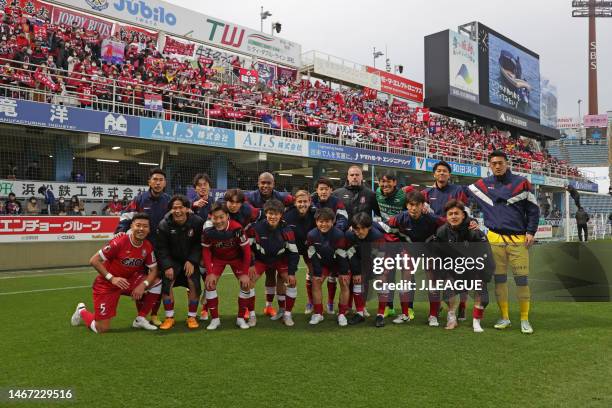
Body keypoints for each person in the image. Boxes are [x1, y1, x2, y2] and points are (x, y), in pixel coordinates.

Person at [467, 150, 539, 334]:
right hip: (494, 240)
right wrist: (470, 221)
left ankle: (524, 319)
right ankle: (505, 317)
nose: (497, 166)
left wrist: (531, 231)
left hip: (518, 239)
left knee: (522, 281)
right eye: (493, 163)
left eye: (500, 162)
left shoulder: (521, 182)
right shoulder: (482, 185)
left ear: (507, 163)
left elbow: (533, 210)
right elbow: (461, 199)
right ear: (489, 165)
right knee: (499, 281)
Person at [70, 213, 162, 333]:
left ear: (149, 230)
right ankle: (81, 310)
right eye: (138, 225)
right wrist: (112, 278)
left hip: (128, 281)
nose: (141, 229)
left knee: (157, 282)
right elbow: (94, 260)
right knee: (101, 328)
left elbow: (154, 270)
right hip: (107, 284)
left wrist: (143, 285)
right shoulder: (119, 242)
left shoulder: (147, 246)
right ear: (132, 226)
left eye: (145, 226)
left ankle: (140, 318)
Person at [381, 191, 445, 327]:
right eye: (411, 205)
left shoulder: (432, 219)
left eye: (417, 205)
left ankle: (433, 315)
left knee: (432, 280)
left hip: (429, 250)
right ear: (407, 205)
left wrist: (471, 222)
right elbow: (381, 226)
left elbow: (448, 224)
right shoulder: (399, 218)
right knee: (405, 279)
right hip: (409, 250)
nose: (414, 208)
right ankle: (405, 314)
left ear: (423, 206)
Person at [116, 167, 171, 326]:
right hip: (140, 250)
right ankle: (141, 315)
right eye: (155, 179)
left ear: (165, 183)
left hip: (160, 249)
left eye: (161, 180)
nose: (158, 183)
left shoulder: (169, 200)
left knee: (158, 281)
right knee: (140, 281)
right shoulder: (139, 199)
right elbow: (126, 217)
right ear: (149, 181)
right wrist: (120, 232)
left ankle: (154, 314)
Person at [432, 200, 494, 332]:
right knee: (448, 291)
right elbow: (437, 255)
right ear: (446, 217)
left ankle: (476, 322)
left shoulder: (474, 231)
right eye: (450, 214)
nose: (453, 216)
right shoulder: (442, 232)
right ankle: (452, 318)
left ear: (463, 215)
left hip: (474, 267)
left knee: (481, 293)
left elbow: (486, 254)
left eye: (456, 213)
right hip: (453, 268)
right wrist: (441, 273)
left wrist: (485, 273)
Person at [421, 160, 471, 320]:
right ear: (434, 174)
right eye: (439, 171)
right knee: (432, 279)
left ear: (449, 175)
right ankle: (433, 312)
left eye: (445, 171)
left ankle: (461, 308)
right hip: (433, 243)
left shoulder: (458, 190)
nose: (442, 173)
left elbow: (464, 214)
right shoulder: (426, 194)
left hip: (455, 242)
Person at [244, 172, 294, 318]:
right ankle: (247, 309)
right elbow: (231, 201)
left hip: (275, 240)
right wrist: (260, 214)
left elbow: (297, 201)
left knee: (272, 275)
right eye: (262, 183)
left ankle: (269, 307)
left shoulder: (282, 196)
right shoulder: (249, 197)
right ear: (258, 183)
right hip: (255, 240)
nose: (265, 185)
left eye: (268, 183)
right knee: (248, 278)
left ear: (273, 184)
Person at [246, 199, 299, 327]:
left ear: (281, 215)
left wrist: (291, 273)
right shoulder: (256, 228)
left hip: (280, 259)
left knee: (291, 282)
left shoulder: (287, 231)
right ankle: (252, 315)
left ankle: (286, 314)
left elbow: (293, 253)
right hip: (261, 260)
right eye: (270, 213)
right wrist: (251, 264)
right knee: (248, 282)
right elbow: (247, 249)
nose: (273, 216)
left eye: (276, 214)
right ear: (265, 213)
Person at [156, 195, 205, 330]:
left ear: (187, 209)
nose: (177, 211)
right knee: (167, 284)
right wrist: (167, 266)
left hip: (190, 259)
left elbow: (199, 244)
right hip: (172, 260)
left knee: (193, 284)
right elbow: (162, 248)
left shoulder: (197, 222)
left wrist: (192, 260)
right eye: (174, 208)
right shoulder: (164, 225)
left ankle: (192, 317)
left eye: (180, 207)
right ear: (171, 210)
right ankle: (169, 317)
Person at [201, 202, 251, 330]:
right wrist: (210, 271)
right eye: (215, 217)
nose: (218, 221)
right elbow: (206, 251)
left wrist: (245, 273)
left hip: (236, 259)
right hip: (218, 259)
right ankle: (215, 319)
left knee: (246, 285)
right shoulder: (207, 230)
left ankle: (240, 319)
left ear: (227, 216)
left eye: (221, 217)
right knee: (210, 284)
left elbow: (246, 251)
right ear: (210, 217)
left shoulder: (237, 228)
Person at [375, 173, 415, 318]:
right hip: (388, 239)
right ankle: (388, 306)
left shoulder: (404, 195)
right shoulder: (377, 194)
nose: (385, 185)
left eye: (388, 182)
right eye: (382, 182)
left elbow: (416, 201)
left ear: (395, 182)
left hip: (405, 239)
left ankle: (409, 308)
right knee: (387, 272)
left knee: (408, 274)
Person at [345, 212, 397, 325]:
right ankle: (359, 313)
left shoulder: (377, 236)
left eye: (363, 228)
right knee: (358, 281)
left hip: (385, 254)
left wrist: (382, 273)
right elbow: (351, 254)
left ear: (369, 227)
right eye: (356, 229)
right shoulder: (349, 235)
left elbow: (381, 257)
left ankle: (380, 315)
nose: (360, 231)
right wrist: (356, 273)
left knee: (381, 281)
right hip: (362, 256)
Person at [306, 207, 350, 326]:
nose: (324, 224)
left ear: (333, 221)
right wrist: (317, 272)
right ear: (316, 222)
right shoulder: (311, 235)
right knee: (316, 281)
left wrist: (344, 273)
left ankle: (341, 314)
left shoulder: (339, 234)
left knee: (344, 282)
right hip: (323, 263)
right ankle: (318, 313)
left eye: (327, 221)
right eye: (321, 221)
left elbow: (342, 255)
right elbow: (312, 254)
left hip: (338, 263)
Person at [311, 177, 349, 314]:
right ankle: (312, 304)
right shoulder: (311, 201)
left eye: (326, 189)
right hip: (315, 240)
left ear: (331, 190)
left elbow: (343, 219)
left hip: (334, 241)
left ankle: (333, 305)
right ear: (317, 190)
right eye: (321, 189)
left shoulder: (337, 202)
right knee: (312, 276)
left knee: (337, 277)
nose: (323, 191)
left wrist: (331, 233)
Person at [283, 190, 317, 314]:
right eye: (299, 202)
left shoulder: (315, 214)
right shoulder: (287, 215)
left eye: (305, 201)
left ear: (310, 202)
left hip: (309, 247)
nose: (302, 204)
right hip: (292, 249)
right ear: (295, 202)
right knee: (286, 276)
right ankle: (284, 308)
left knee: (314, 273)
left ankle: (311, 302)